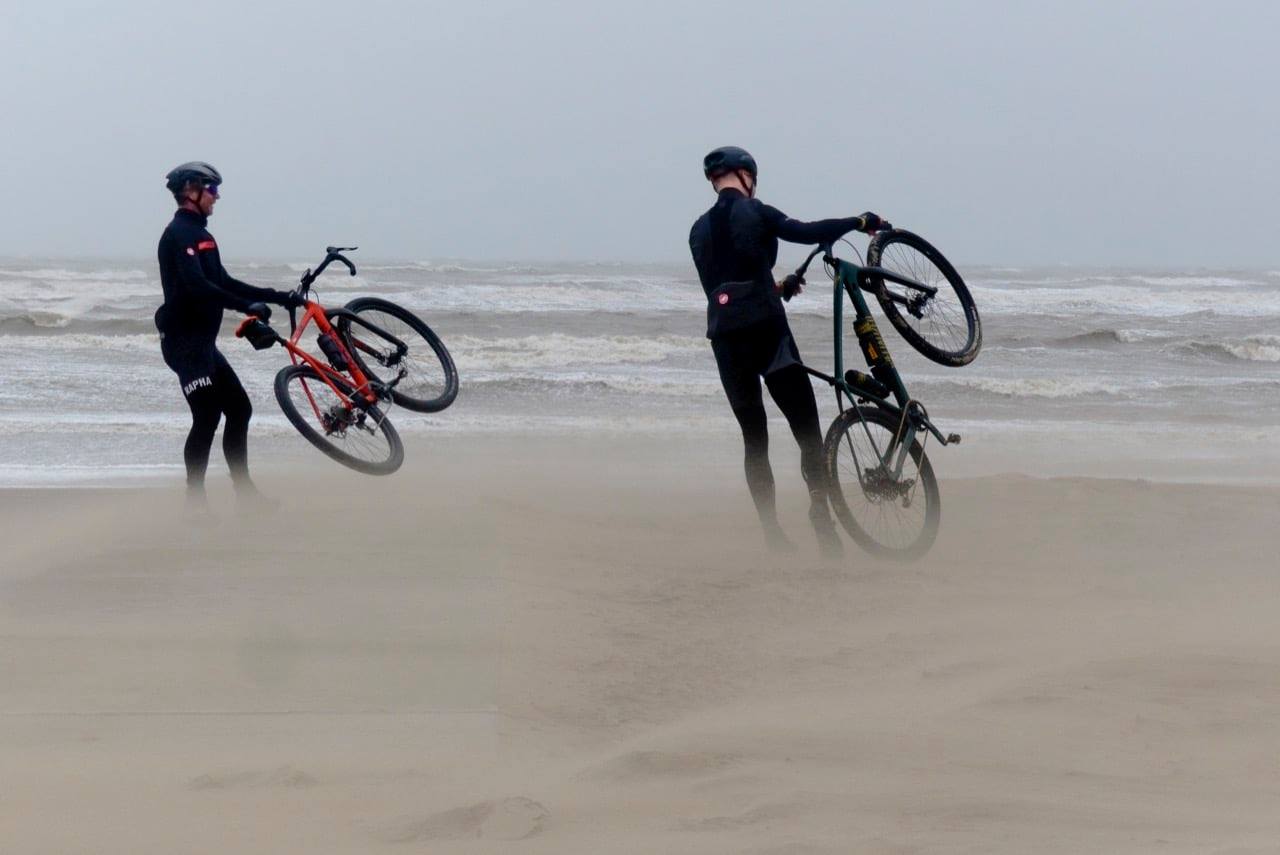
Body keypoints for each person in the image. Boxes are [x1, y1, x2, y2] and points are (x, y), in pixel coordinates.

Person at [689, 146, 887, 558]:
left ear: (714, 180)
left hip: (725, 339)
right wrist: (859, 221)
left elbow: (725, 286)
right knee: (806, 432)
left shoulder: (697, 230)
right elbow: (809, 231)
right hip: (768, 333)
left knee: (754, 439)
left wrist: (779, 288)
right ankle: (819, 508)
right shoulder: (758, 211)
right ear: (746, 176)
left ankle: (772, 533)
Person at [155, 161, 297, 508]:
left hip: (202, 343)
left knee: (239, 409)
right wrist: (244, 307)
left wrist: (276, 297)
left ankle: (246, 497)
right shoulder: (178, 234)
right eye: (212, 189)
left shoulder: (202, 236)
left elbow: (223, 282)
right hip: (183, 343)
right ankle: (195, 501)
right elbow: (197, 287)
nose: (217, 197)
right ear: (192, 191)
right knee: (207, 415)